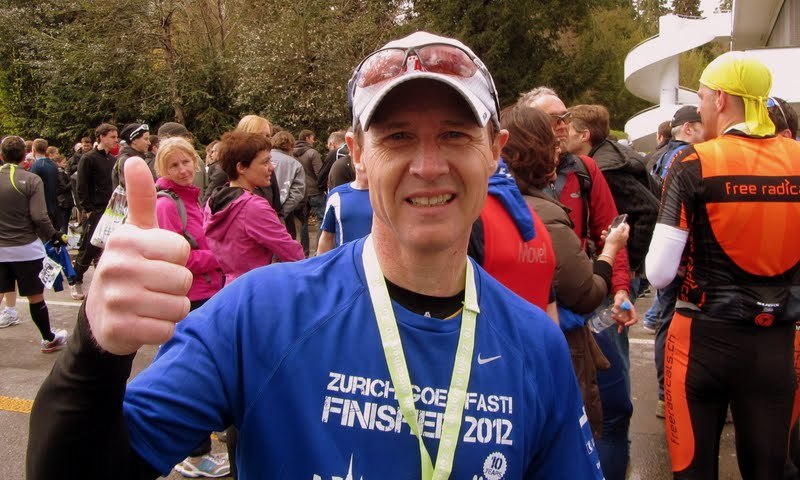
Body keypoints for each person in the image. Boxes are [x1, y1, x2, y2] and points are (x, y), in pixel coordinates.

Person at [27, 31, 603, 479]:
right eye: (397, 136)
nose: (429, 166)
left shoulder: (535, 344)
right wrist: (95, 350)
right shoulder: (260, 314)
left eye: (455, 134)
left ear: (495, 151)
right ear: (359, 154)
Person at [645, 51, 800, 479]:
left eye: (701, 96)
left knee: (693, 471)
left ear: (721, 99)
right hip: (777, 344)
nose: (700, 106)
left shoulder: (693, 163)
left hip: (701, 341)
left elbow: (658, 273)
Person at [500, 104, 633, 479]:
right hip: (563, 332)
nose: (561, 128)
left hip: (522, 337)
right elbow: (584, 291)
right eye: (552, 122)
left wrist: (622, 286)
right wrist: (610, 253)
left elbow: (604, 219)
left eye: (563, 119)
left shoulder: (584, 171)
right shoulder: (540, 212)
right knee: (599, 417)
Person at [151, 137, 228, 477]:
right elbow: (175, 255)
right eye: (174, 165)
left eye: (186, 162)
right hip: (189, 297)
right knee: (191, 375)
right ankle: (195, 455)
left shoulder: (192, 198)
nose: (182, 170)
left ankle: (201, 441)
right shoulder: (167, 204)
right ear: (163, 169)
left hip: (206, 291)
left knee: (205, 371)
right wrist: (219, 256)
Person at [203, 131, 304, 283]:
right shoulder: (253, 207)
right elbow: (292, 253)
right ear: (241, 167)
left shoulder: (214, 202)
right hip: (257, 286)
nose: (272, 167)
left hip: (230, 286)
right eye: (265, 162)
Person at [0, 135, 68, 349]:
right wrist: (55, 235)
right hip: (26, 249)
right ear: (25, 155)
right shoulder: (31, 179)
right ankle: (49, 339)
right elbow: (39, 216)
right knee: (35, 296)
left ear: (1, 156)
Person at [72, 123, 119, 300]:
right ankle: (75, 280)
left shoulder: (113, 160)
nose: (116, 140)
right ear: (101, 137)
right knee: (89, 247)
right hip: (95, 210)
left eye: (116, 137)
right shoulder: (88, 158)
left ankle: (102, 283)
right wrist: (88, 209)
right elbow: (81, 185)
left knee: (107, 249)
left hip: (111, 211)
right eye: (112, 137)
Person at [317, 146, 371, 254]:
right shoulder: (336, 195)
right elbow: (327, 238)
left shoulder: (387, 195)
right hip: (345, 261)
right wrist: (321, 263)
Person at [29, 138, 60, 230]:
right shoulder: (53, 164)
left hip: (42, 207)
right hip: (54, 205)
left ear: (33, 149)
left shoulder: (36, 166)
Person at [112, 123, 151, 190]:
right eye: (146, 139)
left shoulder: (137, 158)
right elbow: (133, 189)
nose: (149, 143)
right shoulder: (126, 161)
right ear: (134, 140)